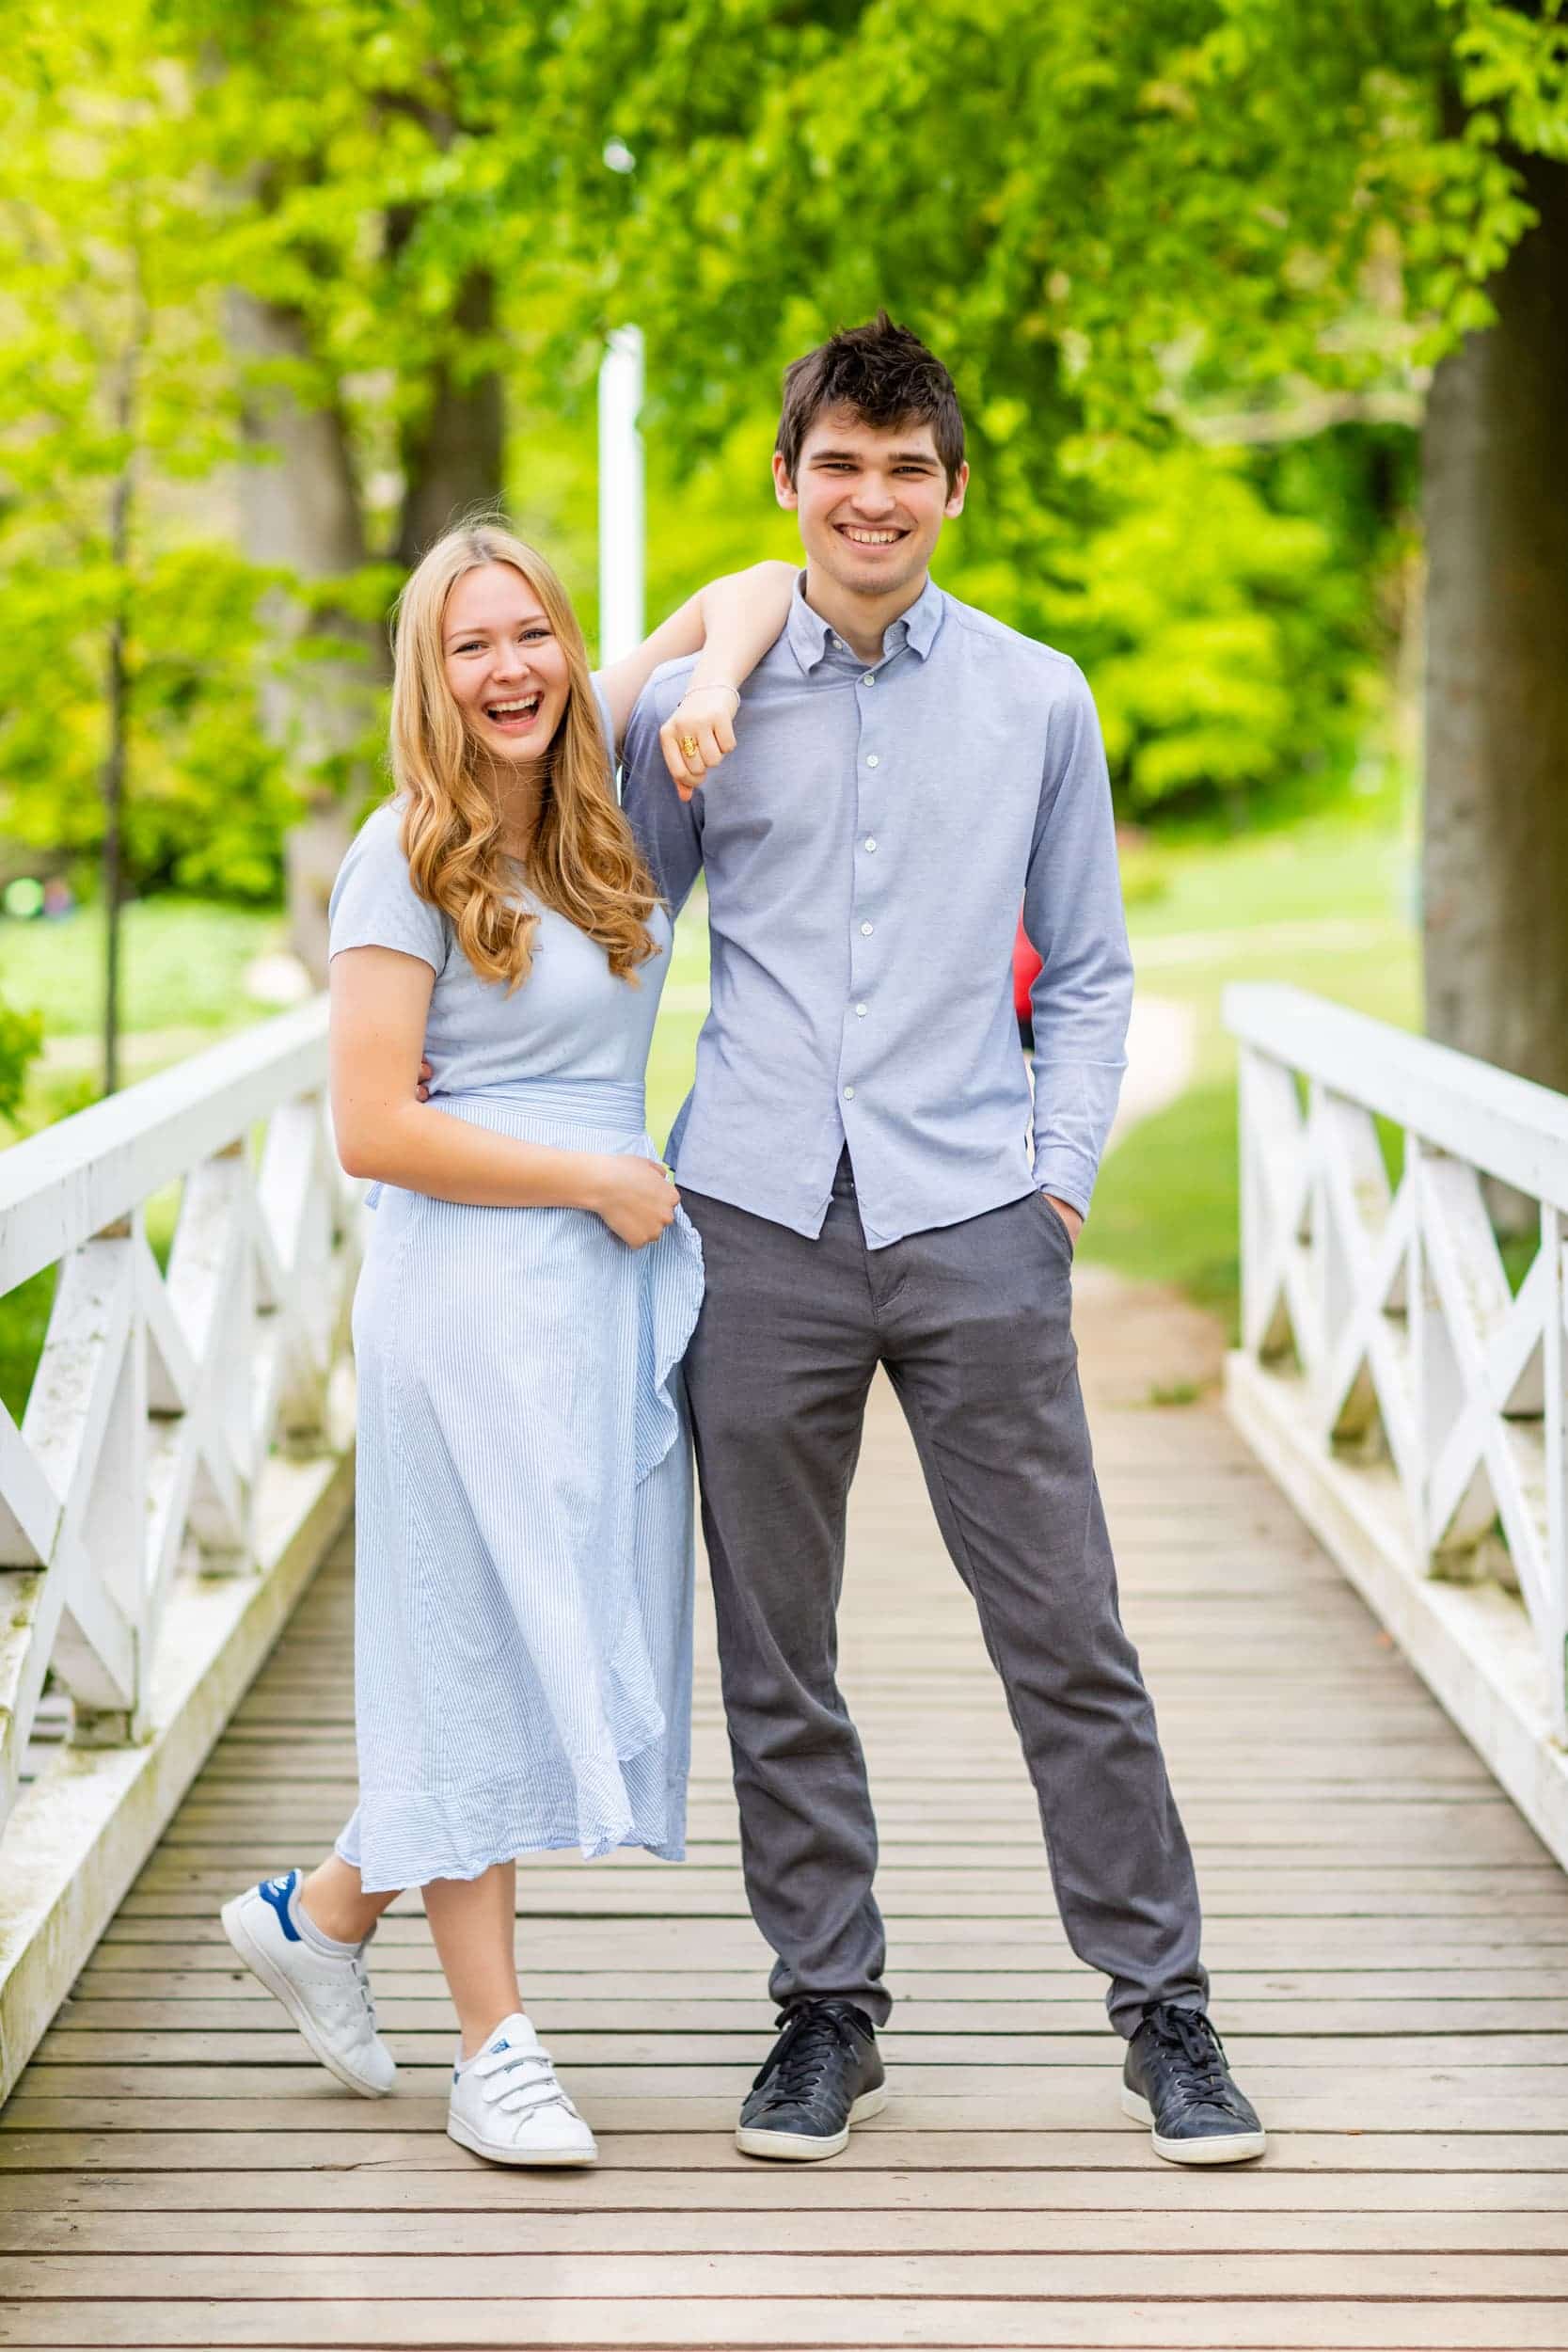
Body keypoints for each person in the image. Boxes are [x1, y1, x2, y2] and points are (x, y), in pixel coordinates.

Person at [620, 315, 1266, 2169]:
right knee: (776, 1638)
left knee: (1066, 1624)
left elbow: (1094, 963)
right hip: (753, 1214)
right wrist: (693, 641)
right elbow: (594, 876)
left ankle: (1169, 2009)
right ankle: (826, 2006)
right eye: (841, 464)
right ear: (790, 482)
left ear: (953, 487)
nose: (876, 495)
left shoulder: (1039, 698)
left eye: (909, 467)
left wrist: (1059, 1184)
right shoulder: (712, 696)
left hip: (978, 1216)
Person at [220, 521, 792, 2168]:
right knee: (471, 1644)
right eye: (471, 646)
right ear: (430, 673)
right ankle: (498, 2052)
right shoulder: (402, 853)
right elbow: (372, 1129)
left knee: (555, 1634)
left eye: (529, 632)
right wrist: (594, 1177)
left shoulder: (600, 763)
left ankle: (320, 1915)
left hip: (593, 1293)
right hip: (468, 1285)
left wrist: (716, 687)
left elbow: (753, 586)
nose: (510, 670)